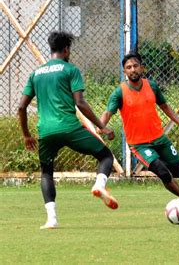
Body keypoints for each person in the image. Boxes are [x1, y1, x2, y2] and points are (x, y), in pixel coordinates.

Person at [18, 31, 119, 230]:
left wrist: (26, 135)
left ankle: (51, 219)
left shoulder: (35, 74)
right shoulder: (70, 70)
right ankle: (99, 185)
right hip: (70, 127)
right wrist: (102, 126)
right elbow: (80, 102)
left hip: (46, 132)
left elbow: (21, 108)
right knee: (106, 156)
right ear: (66, 50)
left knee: (46, 173)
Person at [98, 53, 179, 207]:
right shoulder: (119, 92)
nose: (133, 69)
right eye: (128, 67)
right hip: (140, 144)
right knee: (163, 172)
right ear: (124, 72)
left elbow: (165, 106)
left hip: (160, 139)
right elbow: (107, 113)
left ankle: (166, 176)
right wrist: (101, 127)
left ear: (142, 68)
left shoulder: (151, 86)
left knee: (178, 171)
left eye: (135, 66)